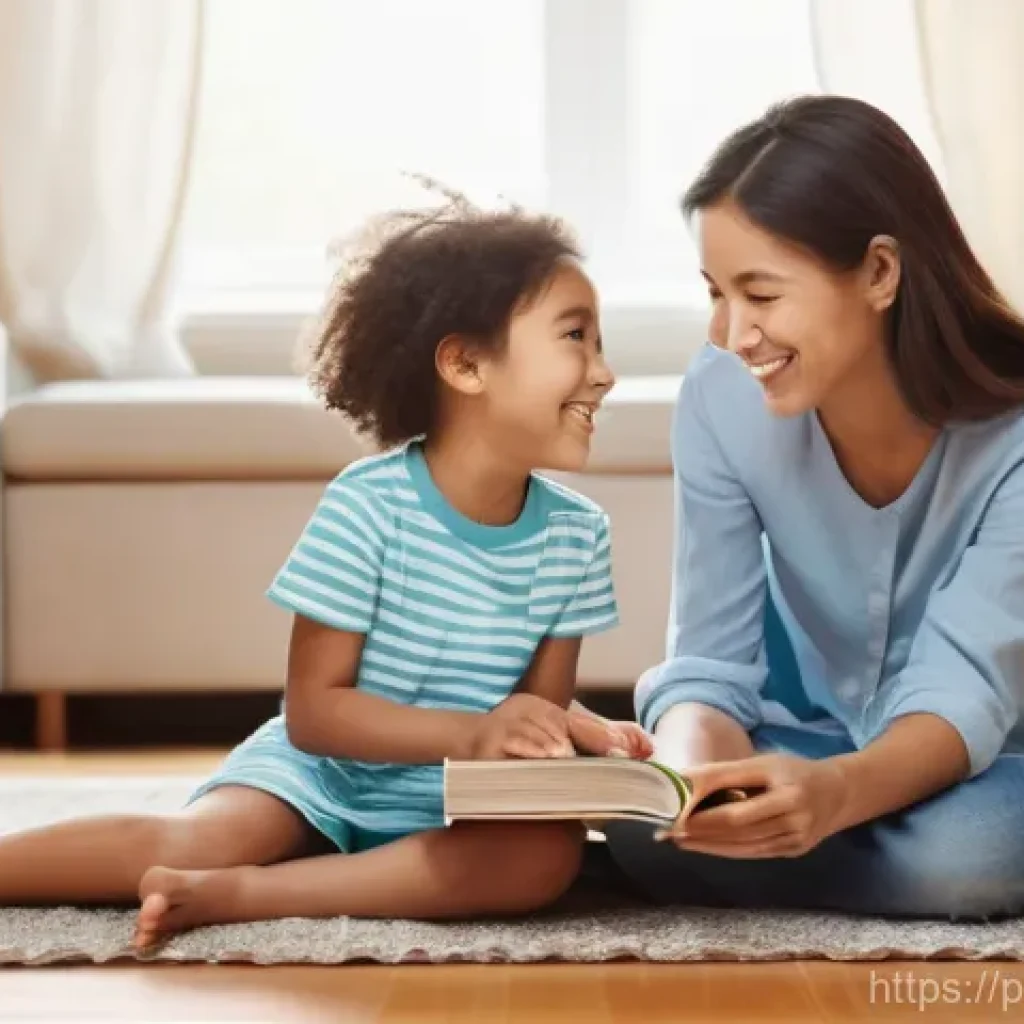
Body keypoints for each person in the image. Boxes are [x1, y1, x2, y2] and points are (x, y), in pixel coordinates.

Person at [0, 186, 653, 947]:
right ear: (466, 364)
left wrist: (580, 734)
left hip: (451, 793)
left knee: (541, 857)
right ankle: (192, 873)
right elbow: (316, 712)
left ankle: (241, 898)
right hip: (320, 771)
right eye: (576, 337)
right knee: (199, 841)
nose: (604, 374)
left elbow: (525, 717)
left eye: (601, 344)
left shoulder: (577, 536)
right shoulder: (368, 505)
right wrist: (479, 735)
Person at [604, 95, 1024, 920]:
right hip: (807, 736)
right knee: (633, 823)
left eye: (761, 295)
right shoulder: (719, 396)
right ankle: (825, 855)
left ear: (878, 272)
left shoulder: (1011, 437)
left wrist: (833, 798)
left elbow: (962, 689)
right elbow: (711, 660)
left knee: (962, 860)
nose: (731, 335)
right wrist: (694, 779)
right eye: (716, 294)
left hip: (986, 759)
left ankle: (817, 857)